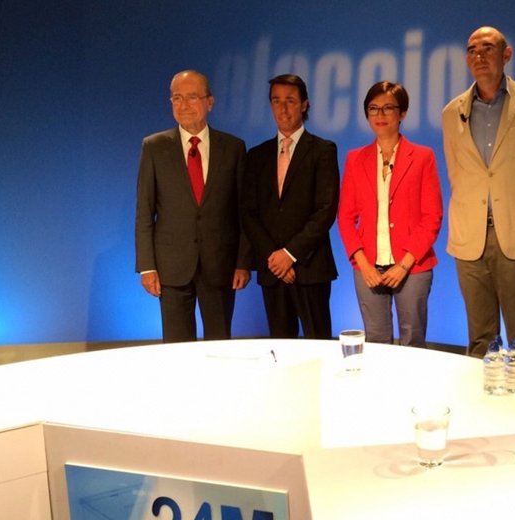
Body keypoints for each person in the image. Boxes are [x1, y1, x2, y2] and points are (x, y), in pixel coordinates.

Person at [442, 26, 515, 371]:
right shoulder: (452, 112)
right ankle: (482, 400)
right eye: (472, 49)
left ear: (506, 55)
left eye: (487, 48)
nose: (478, 56)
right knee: (480, 340)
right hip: (469, 238)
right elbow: (457, 175)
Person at [135, 69, 250, 342]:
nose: (183, 105)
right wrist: (147, 266)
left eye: (192, 97)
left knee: (219, 346)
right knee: (176, 348)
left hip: (220, 266)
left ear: (210, 102)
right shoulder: (154, 147)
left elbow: (244, 212)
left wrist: (243, 262)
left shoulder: (233, 148)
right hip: (171, 268)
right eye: (177, 98)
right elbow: (144, 211)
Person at [338, 81, 443, 347]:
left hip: (412, 266)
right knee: (375, 341)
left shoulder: (422, 157)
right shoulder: (355, 159)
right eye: (373, 109)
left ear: (402, 113)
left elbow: (432, 216)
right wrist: (364, 264)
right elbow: (346, 217)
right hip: (368, 267)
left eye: (388, 108)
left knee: (412, 341)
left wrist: (404, 264)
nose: (380, 115)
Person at [242, 74, 339, 339]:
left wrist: (290, 254)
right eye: (276, 101)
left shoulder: (323, 150)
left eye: (290, 101)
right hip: (272, 269)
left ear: (304, 105)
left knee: (319, 345)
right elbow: (248, 213)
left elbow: (325, 210)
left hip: (310, 267)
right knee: (281, 347)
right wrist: (275, 258)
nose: (283, 108)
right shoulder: (257, 155)